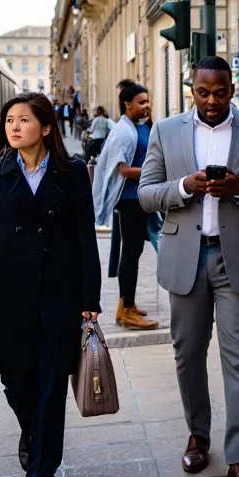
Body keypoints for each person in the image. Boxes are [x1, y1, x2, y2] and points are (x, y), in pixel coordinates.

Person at [138, 56, 239, 477]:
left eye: (219, 93)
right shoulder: (165, 131)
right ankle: (198, 436)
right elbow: (146, 194)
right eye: (203, 93)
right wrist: (185, 186)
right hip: (185, 258)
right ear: (192, 90)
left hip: (237, 257)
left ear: (231, 89)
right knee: (188, 355)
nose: (211, 101)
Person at [0, 92, 101, 477]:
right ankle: (32, 433)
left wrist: (89, 298)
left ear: (45, 126)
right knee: (17, 384)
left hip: (59, 297)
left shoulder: (72, 173)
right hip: (8, 298)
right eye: (9, 121)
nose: (14, 127)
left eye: (23, 120)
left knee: (51, 389)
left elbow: (85, 238)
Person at [91, 80, 159, 330]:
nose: (147, 106)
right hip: (130, 199)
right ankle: (126, 310)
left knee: (134, 251)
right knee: (130, 252)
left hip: (138, 197)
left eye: (148, 101)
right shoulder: (123, 132)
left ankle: (127, 305)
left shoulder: (135, 126)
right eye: (141, 102)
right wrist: (156, 171)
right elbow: (123, 170)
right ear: (127, 105)